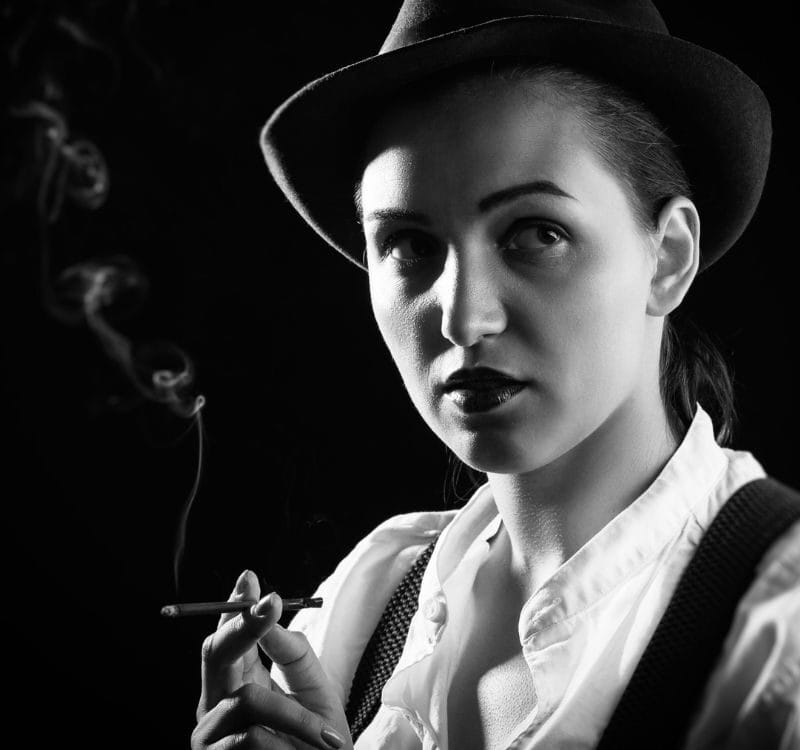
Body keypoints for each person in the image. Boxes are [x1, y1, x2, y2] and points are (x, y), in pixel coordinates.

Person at [190, 1, 800, 748]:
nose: (463, 318)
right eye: (409, 245)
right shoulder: (367, 602)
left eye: (535, 233)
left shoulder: (780, 621)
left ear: (667, 256)